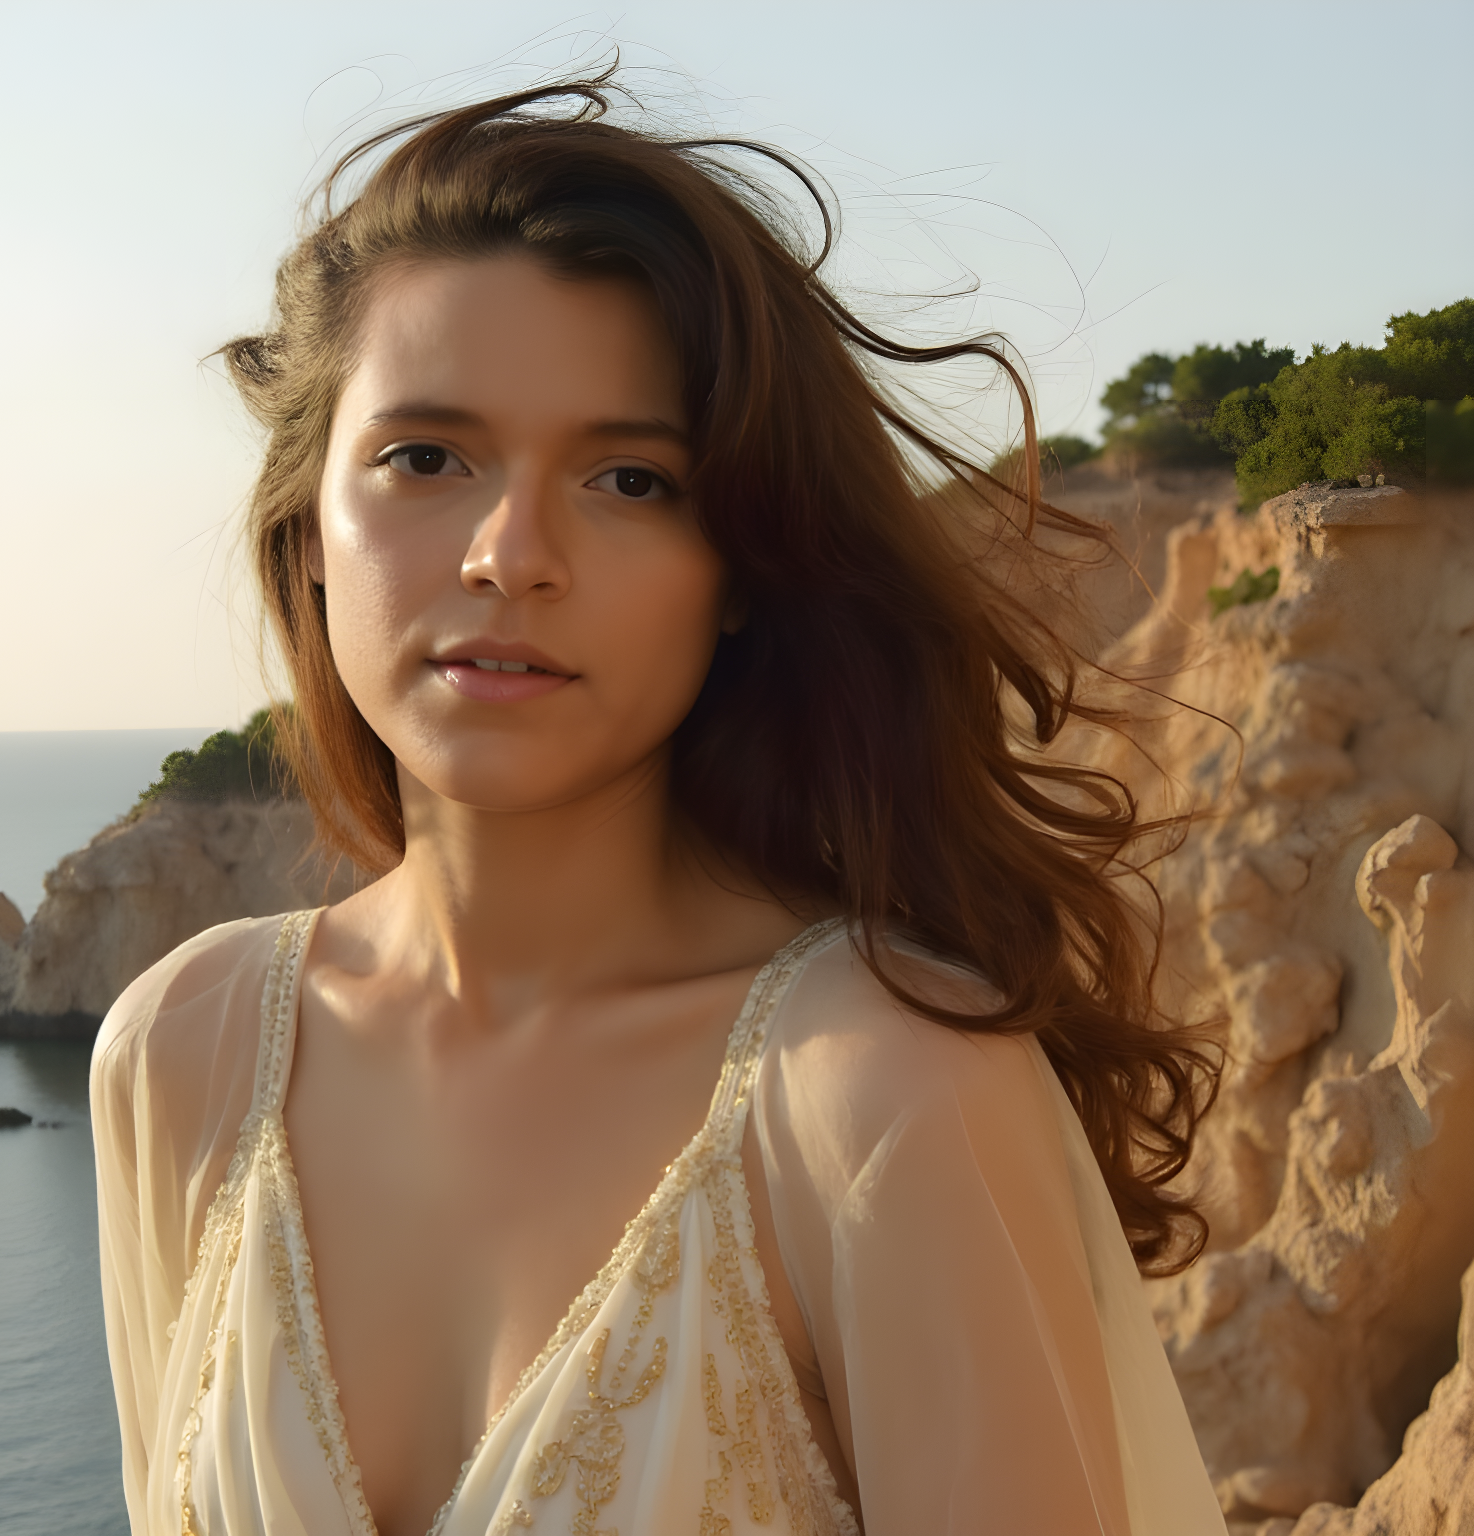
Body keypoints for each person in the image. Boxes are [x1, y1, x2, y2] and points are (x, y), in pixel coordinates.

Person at [91, 76, 1226, 1536]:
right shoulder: (178, 1055)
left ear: (741, 566)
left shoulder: (880, 1097)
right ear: (310, 526)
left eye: (630, 478)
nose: (512, 554)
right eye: (426, 458)